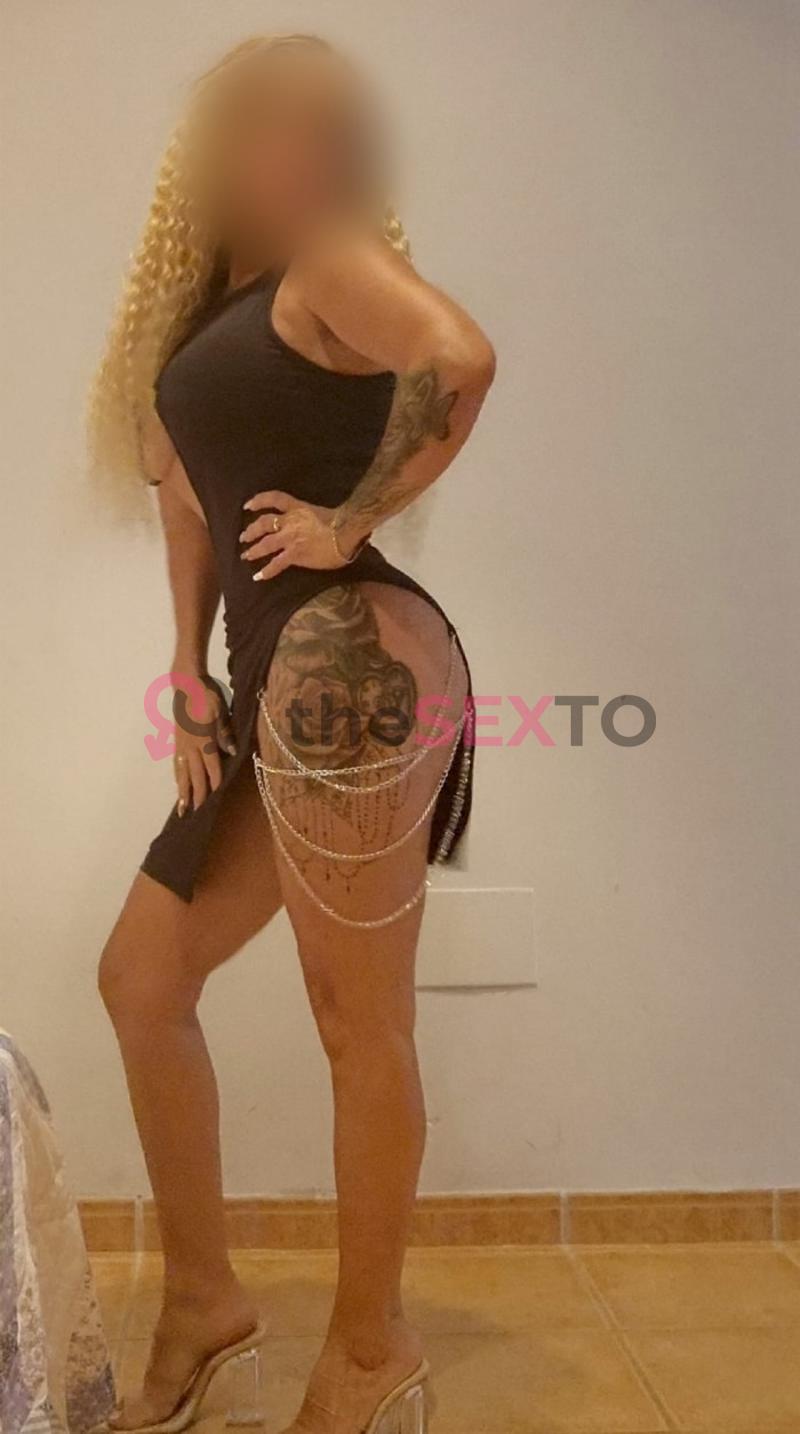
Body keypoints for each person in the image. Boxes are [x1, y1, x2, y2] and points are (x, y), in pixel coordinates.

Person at [89, 33, 495, 1434]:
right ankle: (205, 1308)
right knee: (142, 979)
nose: (305, 150)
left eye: (329, 127)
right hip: (268, 675)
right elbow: (190, 502)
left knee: (356, 1020)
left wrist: (351, 519)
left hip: (348, 661)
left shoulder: (331, 261)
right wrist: (185, 666)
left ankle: (370, 1350)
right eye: (274, 123)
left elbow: (460, 357)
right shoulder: (220, 313)